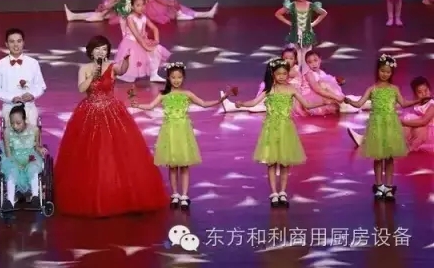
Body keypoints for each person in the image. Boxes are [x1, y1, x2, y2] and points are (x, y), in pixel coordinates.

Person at [54, 35, 167, 217]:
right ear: (91, 51)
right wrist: (94, 74)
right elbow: (82, 89)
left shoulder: (112, 66)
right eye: (98, 49)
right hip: (89, 112)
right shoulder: (85, 68)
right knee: (89, 155)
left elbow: (121, 70)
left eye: (104, 49)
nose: (101, 52)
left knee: (117, 153)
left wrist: (127, 61)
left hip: (111, 111)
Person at [132, 62, 234, 210]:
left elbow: (203, 103)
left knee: (184, 165)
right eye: (173, 77)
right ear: (168, 78)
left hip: (183, 132)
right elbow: (150, 106)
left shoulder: (187, 94)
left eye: (179, 77)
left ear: (183, 78)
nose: (176, 80)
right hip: (169, 133)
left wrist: (221, 100)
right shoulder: (163, 94)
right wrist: (137, 105)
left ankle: (185, 195)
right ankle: (175, 194)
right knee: (172, 166)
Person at [236, 58, 329, 208]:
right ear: (273, 74)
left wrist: (323, 102)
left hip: (286, 129)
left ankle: (283, 192)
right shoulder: (269, 89)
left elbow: (307, 104)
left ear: (287, 74)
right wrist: (241, 104)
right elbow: (253, 102)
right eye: (278, 74)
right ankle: (274, 193)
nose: (281, 76)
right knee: (272, 162)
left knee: (285, 163)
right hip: (271, 130)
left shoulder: (291, 89)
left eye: (284, 74)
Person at [343, 55, 425, 201]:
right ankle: (379, 185)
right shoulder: (372, 89)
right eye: (382, 71)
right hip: (377, 126)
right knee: (378, 157)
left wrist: (417, 100)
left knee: (389, 158)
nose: (385, 74)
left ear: (392, 73)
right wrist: (349, 101)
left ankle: (388, 186)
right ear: (378, 70)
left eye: (388, 72)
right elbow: (360, 103)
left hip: (390, 126)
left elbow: (403, 103)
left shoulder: (394, 89)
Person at [0, 29, 47, 128]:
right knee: (11, 135)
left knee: (31, 133)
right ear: (6, 44)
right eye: (12, 41)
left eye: (19, 41)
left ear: (23, 43)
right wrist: (11, 98)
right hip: (9, 107)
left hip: (29, 107)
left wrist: (32, 95)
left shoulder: (33, 63)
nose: (16, 45)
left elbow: (41, 86)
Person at [0, 104, 47, 212]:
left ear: (25, 120)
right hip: (13, 157)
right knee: (12, 171)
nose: (15, 126)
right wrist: (16, 163)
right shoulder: (7, 132)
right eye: (12, 123)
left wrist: (40, 149)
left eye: (18, 123)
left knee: (33, 168)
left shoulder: (34, 130)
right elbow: (8, 152)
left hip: (30, 156)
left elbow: (36, 146)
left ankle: (35, 197)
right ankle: (10, 201)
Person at [115, 0, 170, 83]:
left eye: (143, 4)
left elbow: (155, 28)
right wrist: (146, 47)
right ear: (132, 7)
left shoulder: (144, 17)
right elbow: (137, 36)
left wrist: (156, 41)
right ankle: (124, 74)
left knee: (157, 49)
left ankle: (154, 75)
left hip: (142, 40)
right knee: (131, 76)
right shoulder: (130, 18)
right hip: (132, 43)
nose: (141, 7)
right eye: (138, 5)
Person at [274, 0, 327, 73]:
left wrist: (313, 23)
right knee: (295, 56)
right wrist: (290, 23)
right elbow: (278, 14)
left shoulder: (311, 5)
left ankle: (306, 76)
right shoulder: (291, 5)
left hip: (307, 34)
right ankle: (295, 76)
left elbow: (323, 13)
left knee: (307, 56)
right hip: (295, 34)